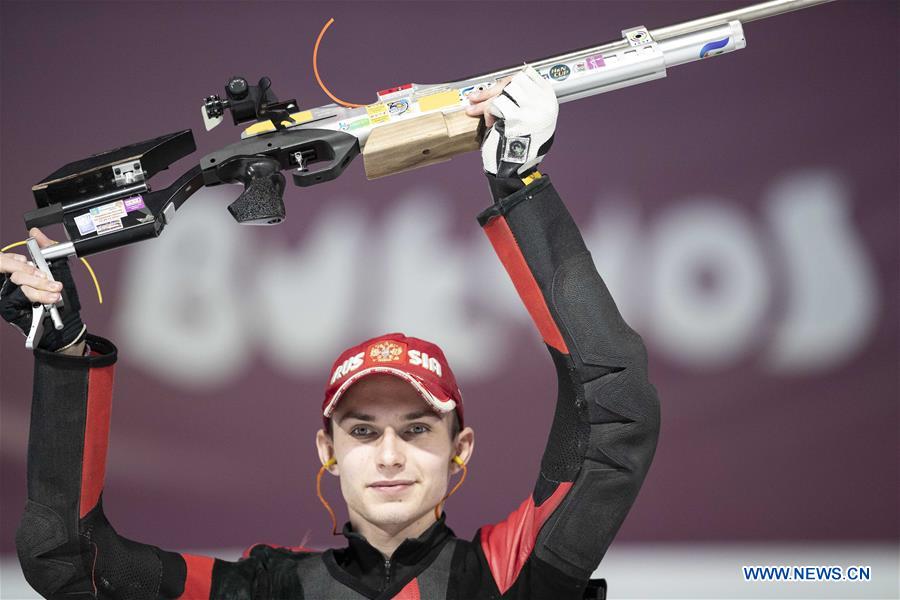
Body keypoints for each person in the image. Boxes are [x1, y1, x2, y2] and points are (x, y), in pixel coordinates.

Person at [2, 66, 660, 600]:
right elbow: (69, 561)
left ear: (461, 445)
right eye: (364, 430)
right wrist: (65, 355)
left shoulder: (504, 577)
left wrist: (521, 181)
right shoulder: (265, 592)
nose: (391, 455)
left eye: (417, 428)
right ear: (328, 447)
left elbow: (615, 412)